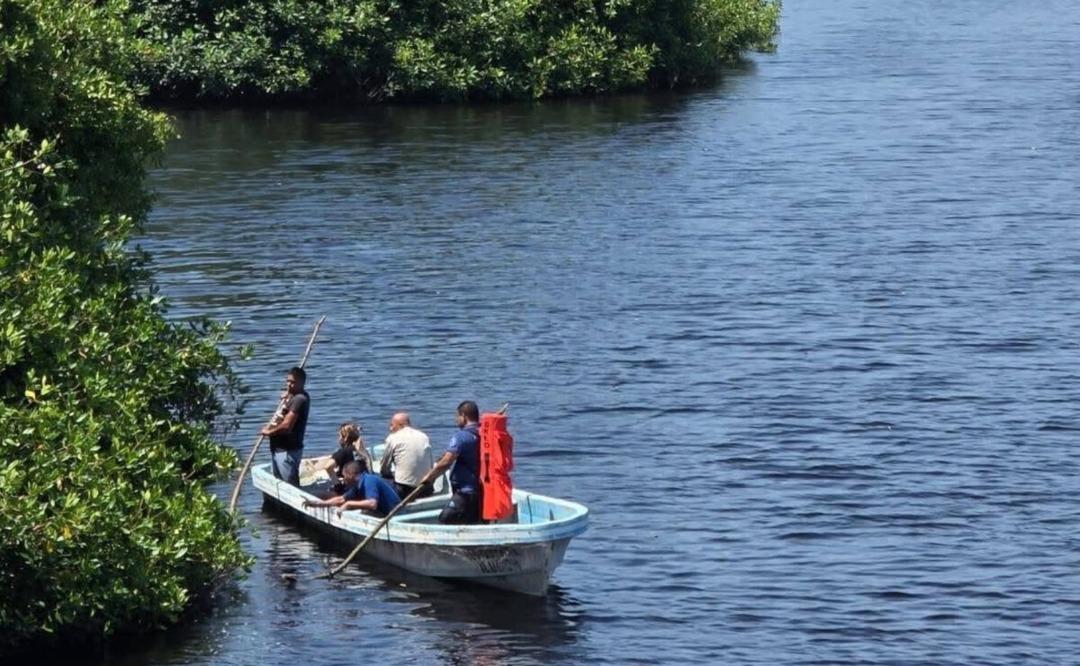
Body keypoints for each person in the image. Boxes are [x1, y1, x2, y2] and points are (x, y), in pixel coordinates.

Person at [419, 400, 481, 524]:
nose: (456, 420)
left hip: (465, 493)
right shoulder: (483, 433)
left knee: (444, 519)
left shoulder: (461, 436)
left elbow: (446, 462)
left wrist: (429, 477)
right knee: (469, 522)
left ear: (463, 416)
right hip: (480, 491)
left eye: (457, 416)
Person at [261, 366, 310, 486]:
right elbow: (289, 403)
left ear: (301, 383)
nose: (289, 384)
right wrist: (288, 396)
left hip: (287, 451)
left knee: (290, 486)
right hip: (279, 450)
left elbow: (287, 426)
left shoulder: (300, 399)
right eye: (287, 381)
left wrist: (269, 432)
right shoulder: (294, 396)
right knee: (280, 484)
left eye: (293, 382)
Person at [303, 461, 401, 517]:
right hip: (387, 512)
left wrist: (349, 504)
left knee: (363, 511)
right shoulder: (358, 484)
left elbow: (372, 504)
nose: (343, 479)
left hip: (395, 513)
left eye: (344, 476)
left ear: (351, 475)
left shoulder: (369, 481)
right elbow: (341, 499)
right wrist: (320, 503)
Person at [379, 411, 434, 500]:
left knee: (376, 479)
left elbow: (384, 469)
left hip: (405, 491)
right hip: (426, 489)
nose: (390, 428)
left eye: (392, 425)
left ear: (401, 425)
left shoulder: (392, 438)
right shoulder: (424, 436)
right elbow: (431, 465)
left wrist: (391, 475)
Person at [316, 422, 373, 493]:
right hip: (363, 485)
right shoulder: (362, 452)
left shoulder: (343, 452)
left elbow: (328, 467)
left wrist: (337, 485)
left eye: (340, 436)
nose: (339, 439)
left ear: (345, 438)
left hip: (349, 488)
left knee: (320, 494)